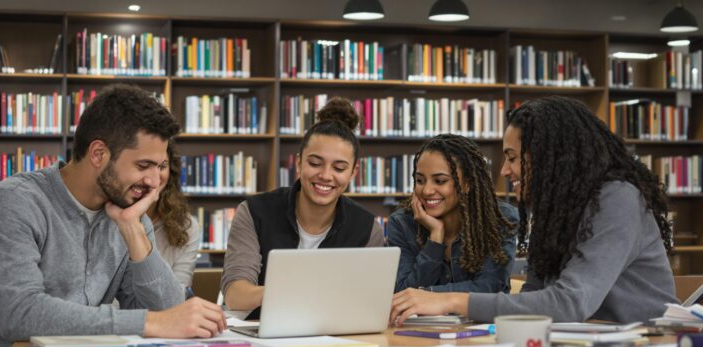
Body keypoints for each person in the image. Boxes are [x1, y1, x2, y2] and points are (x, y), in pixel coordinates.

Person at [0, 84, 226, 347]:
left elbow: (169, 314)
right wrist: (149, 323)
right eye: (143, 165)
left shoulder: (127, 213)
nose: (155, 182)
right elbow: (20, 315)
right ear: (98, 154)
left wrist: (134, 231)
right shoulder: (13, 203)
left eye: (161, 166)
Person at [391, 96, 678, 325]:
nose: (504, 170)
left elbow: (570, 303)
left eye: (513, 158)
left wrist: (451, 301)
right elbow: (535, 295)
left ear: (550, 157)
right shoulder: (555, 209)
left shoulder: (618, 198)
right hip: (582, 344)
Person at [221, 97, 385, 319]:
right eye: (315, 163)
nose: (326, 176)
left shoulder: (366, 228)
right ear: (298, 163)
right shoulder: (254, 212)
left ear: (353, 172)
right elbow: (235, 295)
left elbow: (370, 302)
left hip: (335, 336)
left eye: (339, 167)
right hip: (259, 332)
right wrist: (299, 292)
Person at [389, 134, 517, 299]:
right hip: (418, 325)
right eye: (420, 180)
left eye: (440, 181)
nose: (427, 190)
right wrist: (435, 239)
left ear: (467, 184)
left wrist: (426, 295)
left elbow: (489, 287)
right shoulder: (401, 223)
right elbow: (401, 291)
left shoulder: (500, 218)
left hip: (481, 323)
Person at [147, 142, 201, 299]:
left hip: (164, 317)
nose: (154, 176)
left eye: (162, 166)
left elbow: (179, 295)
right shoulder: (109, 218)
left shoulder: (185, 226)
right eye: (144, 165)